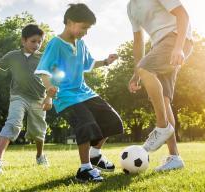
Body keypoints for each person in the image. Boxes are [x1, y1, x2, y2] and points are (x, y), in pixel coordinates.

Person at [35, 3, 123, 183]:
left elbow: (88, 64)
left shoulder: (81, 43)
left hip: (84, 92)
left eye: (88, 28)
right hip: (65, 96)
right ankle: (84, 169)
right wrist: (49, 89)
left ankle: (95, 155)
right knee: (86, 124)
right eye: (84, 27)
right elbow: (43, 70)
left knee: (112, 120)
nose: (86, 32)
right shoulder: (56, 44)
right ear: (69, 22)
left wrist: (106, 61)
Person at [127, 0, 193, 171]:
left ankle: (162, 127)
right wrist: (137, 72)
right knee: (164, 100)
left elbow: (183, 15)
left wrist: (178, 48)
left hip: (176, 38)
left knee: (145, 70)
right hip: (158, 46)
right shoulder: (131, 7)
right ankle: (174, 158)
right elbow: (138, 41)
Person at [0, 24, 51, 174]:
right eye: (33, 41)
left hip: (38, 99)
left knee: (38, 132)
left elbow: (50, 80)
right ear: (23, 40)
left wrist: (49, 97)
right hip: (19, 97)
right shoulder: (13, 56)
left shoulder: (44, 58)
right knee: (13, 123)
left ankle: (40, 155)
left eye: (40, 41)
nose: (37, 45)